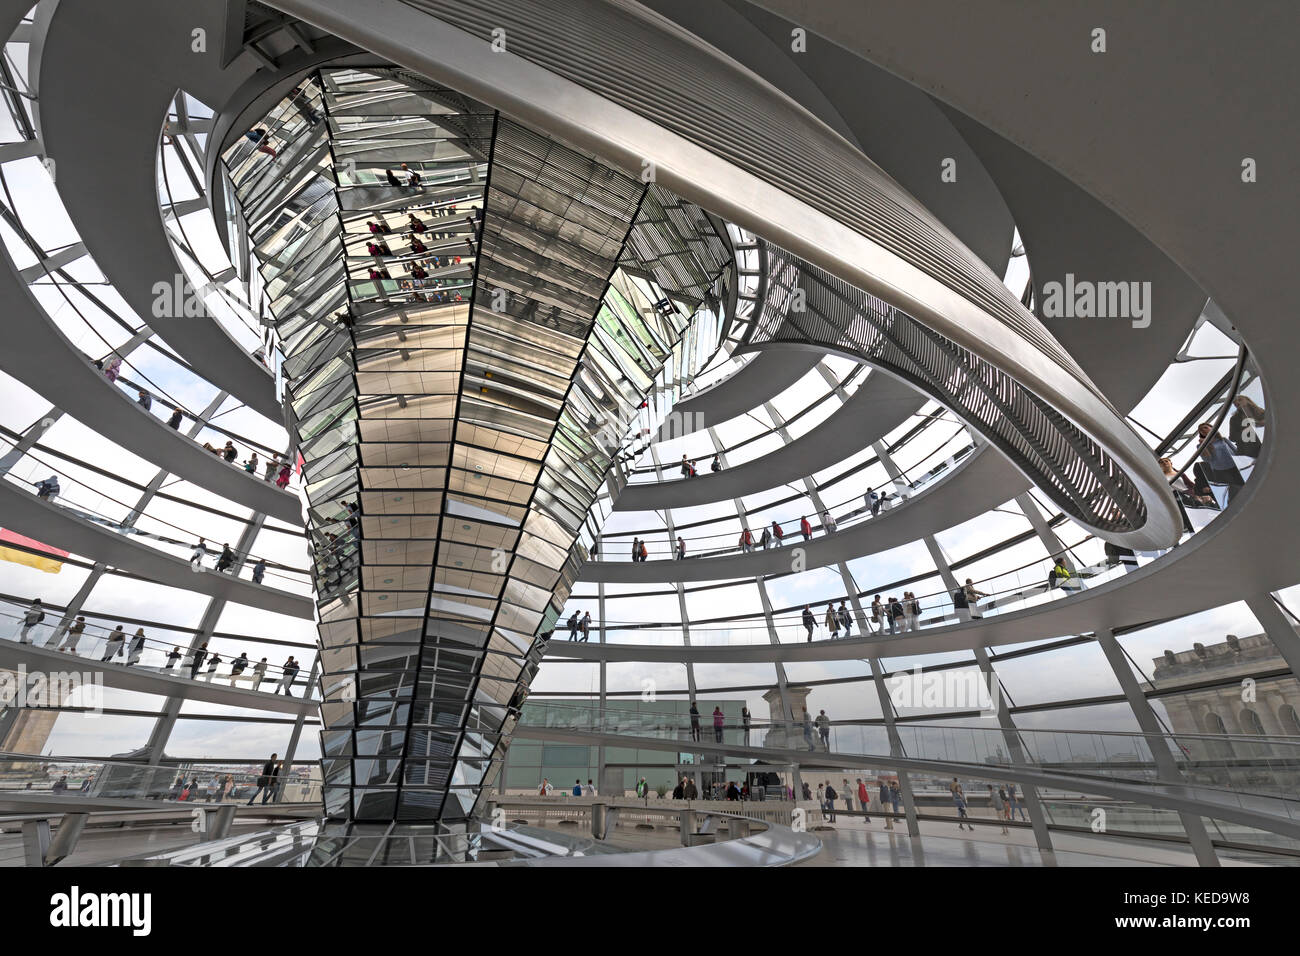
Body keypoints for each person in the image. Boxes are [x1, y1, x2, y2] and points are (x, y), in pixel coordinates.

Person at [1197, 421, 1245, 502]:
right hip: (1221, 472)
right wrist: (1204, 446)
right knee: (1236, 493)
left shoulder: (1223, 440)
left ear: (1212, 428)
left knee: (1246, 485)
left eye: (1205, 427)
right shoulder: (1200, 446)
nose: (1203, 430)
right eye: (1201, 430)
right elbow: (1207, 459)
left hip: (1235, 467)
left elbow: (1236, 451)